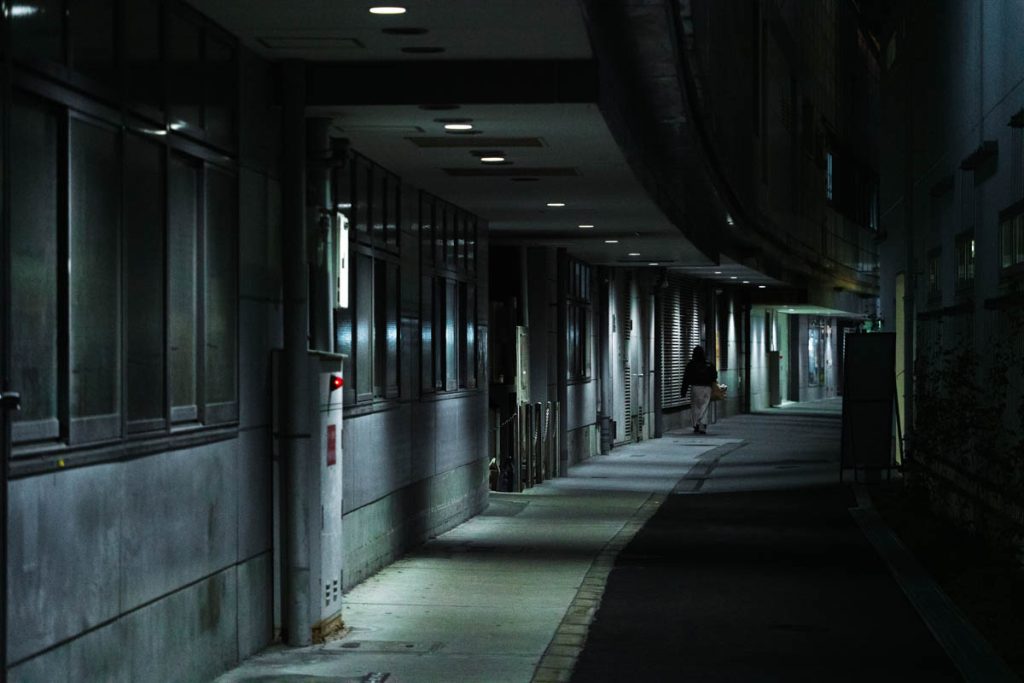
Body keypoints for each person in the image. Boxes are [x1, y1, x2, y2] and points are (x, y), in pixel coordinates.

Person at [680, 345, 718, 434]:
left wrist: (683, 391)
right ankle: (703, 425)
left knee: (695, 406)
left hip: (695, 387)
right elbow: (714, 376)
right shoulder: (709, 364)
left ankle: (696, 424)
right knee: (704, 406)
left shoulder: (691, 364)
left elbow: (686, 378)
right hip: (707, 388)